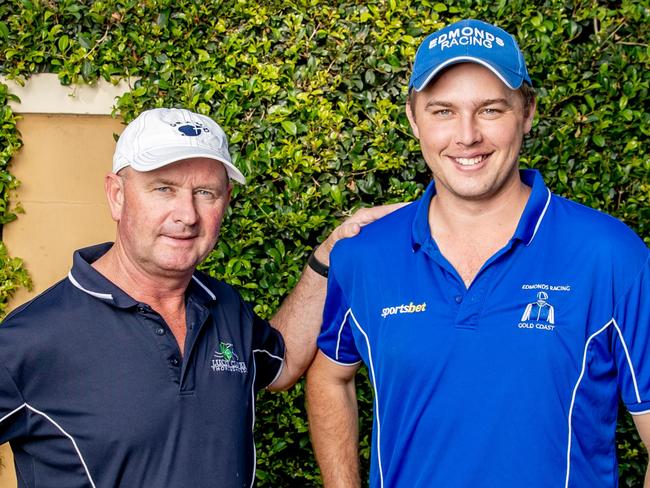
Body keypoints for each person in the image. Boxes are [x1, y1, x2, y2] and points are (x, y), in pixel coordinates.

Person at [306, 19, 650, 488]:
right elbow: (330, 375)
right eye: (443, 111)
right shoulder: (365, 257)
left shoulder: (611, 256)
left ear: (526, 112)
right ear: (413, 118)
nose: (467, 136)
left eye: (490, 109)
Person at [0, 107, 399, 487]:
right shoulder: (31, 339)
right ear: (117, 195)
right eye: (163, 189)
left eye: (205, 192)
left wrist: (328, 254)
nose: (187, 215)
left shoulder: (223, 306)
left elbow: (284, 363)